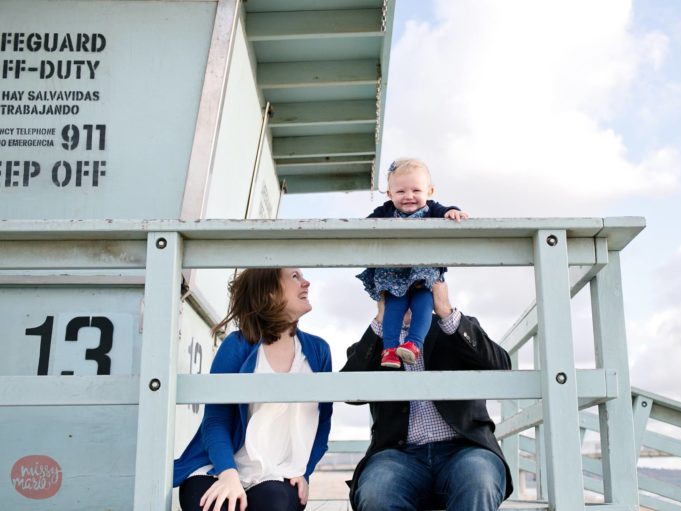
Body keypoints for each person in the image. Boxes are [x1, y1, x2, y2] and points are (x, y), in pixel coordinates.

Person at [341, 281, 513, 511]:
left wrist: (446, 312)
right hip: (397, 455)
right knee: (376, 493)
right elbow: (349, 393)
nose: (406, 291)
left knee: (479, 480)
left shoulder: (455, 328)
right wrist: (381, 321)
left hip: (464, 448)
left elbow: (502, 369)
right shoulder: (374, 341)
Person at [173, 268, 333, 511]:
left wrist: (304, 471)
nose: (306, 282)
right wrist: (228, 475)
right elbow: (215, 420)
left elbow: (323, 423)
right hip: (219, 467)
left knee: (274, 503)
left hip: (279, 474)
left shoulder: (318, 351)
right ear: (269, 293)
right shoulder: (237, 345)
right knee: (210, 503)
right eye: (295, 277)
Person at [356, 158, 469, 369]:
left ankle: (413, 344)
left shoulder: (432, 209)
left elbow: (446, 210)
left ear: (430, 191)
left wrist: (453, 211)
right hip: (394, 275)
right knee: (393, 308)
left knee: (423, 303)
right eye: (400, 192)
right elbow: (367, 225)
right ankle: (390, 349)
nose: (409, 196)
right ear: (390, 194)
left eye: (416, 190)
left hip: (423, 272)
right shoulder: (385, 211)